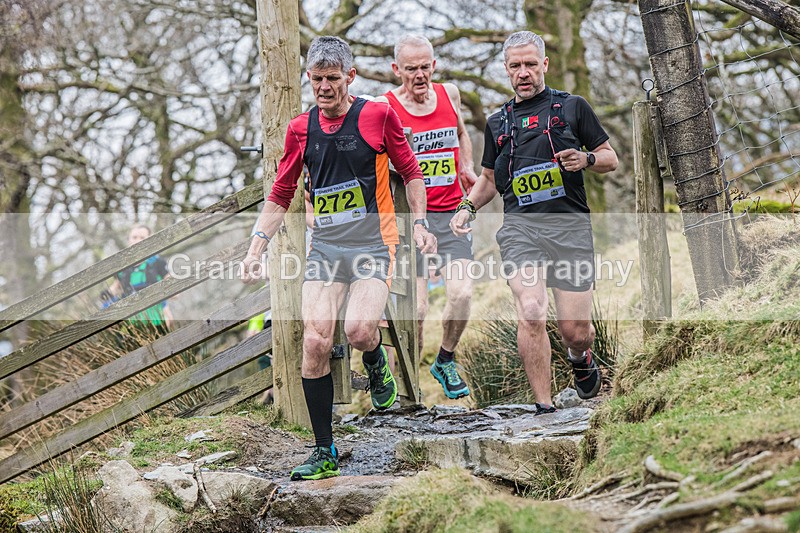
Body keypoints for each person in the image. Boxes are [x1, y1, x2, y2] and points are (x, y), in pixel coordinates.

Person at [241, 36, 435, 481]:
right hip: (326, 249)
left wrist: (420, 224)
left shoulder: (376, 115)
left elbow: (410, 172)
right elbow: (282, 191)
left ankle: (374, 359)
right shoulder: (300, 129)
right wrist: (257, 245)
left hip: (373, 244)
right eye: (316, 79)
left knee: (361, 329)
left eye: (332, 79)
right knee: (315, 340)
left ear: (351, 76)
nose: (324, 88)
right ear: (308, 78)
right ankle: (324, 450)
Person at [450, 31, 618, 413]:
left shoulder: (573, 107)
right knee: (531, 310)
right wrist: (467, 208)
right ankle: (544, 409)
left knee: (576, 331)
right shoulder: (497, 123)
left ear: (544, 64)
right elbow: (490, 180)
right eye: (515, 66)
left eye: (530, 64)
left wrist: (587, 160)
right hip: (521, 230)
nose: (523, 73)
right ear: (507, 70)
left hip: (571, 229)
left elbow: (611, 157)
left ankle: (581, 359)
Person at [377, 34, 478, 400]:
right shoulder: (384, 107)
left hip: (452, 213)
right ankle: (405, 394)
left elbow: (462, 134)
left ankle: (446, 359)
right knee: (415, 311)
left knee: (462, 294)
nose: (419, 76)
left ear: (433, 65)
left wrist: (465, 163)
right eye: (410, 69)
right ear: (395, 70)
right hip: (409, 221)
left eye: (425, 67)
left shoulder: (450, 93)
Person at [101, 224, 175, 331]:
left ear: (149, 241)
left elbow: (174, 291)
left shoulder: (157, 262)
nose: (138, 241)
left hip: (157, 318)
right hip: (132, 324)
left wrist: (165, 301)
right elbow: (114, 289)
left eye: (142, 238)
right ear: (129, 240)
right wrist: (105, 302)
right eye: (134, 237)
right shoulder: (122, 267)